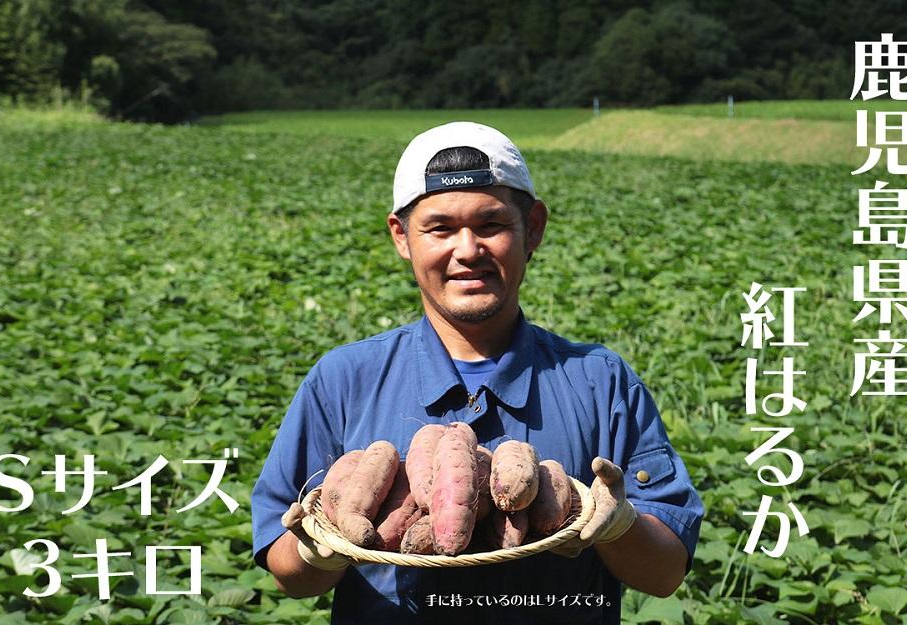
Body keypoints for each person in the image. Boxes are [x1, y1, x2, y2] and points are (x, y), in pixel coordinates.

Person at [251, 121, 703, 624]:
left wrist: (619, 526)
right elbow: (286, 574)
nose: (467, 251)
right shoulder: (343, 379)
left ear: (532, 228)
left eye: (490, 225)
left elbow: (665, 575)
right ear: (402, 237)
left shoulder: (602, 382)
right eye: (440, 228)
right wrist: (318, 549)